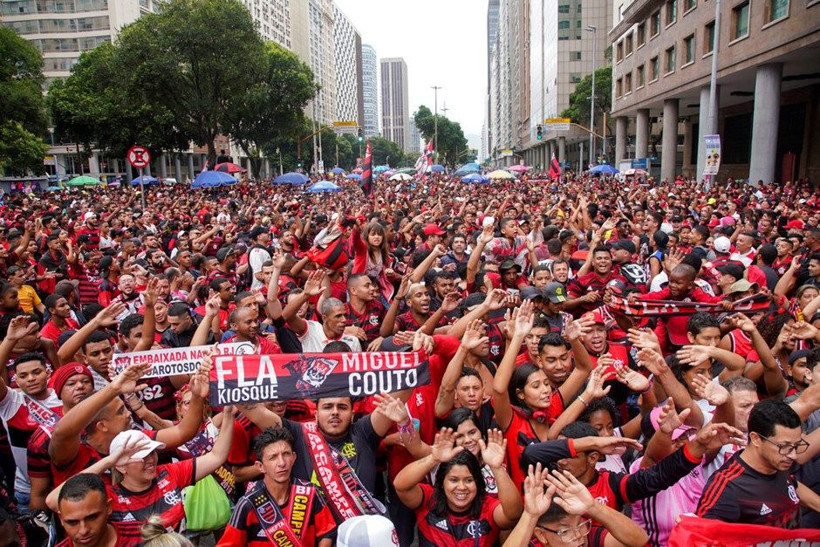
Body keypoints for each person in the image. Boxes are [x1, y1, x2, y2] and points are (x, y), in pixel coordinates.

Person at [697, 399, 818, 527]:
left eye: (796, 446)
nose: (793, 455)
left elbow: (792, 486)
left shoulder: (777, 463)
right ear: (756, 439)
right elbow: (703, 533)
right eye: (784, 446)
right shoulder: (727, 489)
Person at [393, 428, 522, 546]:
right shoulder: (429, 500)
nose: (461, 487)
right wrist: (433, 458)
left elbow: (513, 515)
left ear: (478, 483)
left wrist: (497, 468)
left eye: (469, 480)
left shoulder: (487, 508)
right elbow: (401, 485)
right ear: (442, 482)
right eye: (454, 480)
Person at [219, 426, 336, 546]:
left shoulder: (310, 492)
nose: (282, 463)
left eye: (286, 454)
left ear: (294, 458)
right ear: (260, 466)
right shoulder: (248, 504)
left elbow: (326, 533)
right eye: (273, 457)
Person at [504, 464, 649, 547]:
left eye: (581, 524)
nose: (578, 536)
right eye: (565, 531)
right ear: (541, 535)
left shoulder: (591, 536)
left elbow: (640, 540)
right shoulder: (533, 544)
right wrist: (530, 515)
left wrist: (593, 507)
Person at [54, 473, 117, 547]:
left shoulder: (130, 537)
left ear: (108, 507)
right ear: (61, 518)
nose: (83, 531)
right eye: (72, 522)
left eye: (92, 518)